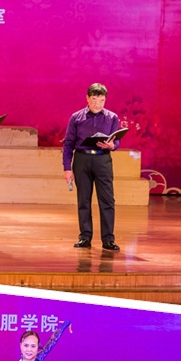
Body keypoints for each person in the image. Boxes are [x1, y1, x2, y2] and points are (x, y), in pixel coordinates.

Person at [62, 83, 121, 251]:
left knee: (107, 200)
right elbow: (68, 144)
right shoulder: (76, 117)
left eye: (102, 101)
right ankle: (85, 237)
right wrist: (67, 168)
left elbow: (116, 140)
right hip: (82, 160)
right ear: (87, 98)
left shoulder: (112, 117)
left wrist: (112, 145)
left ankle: (108, 239)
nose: (98, 104)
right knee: (84, 200)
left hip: (103, 160)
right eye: (94, 100)